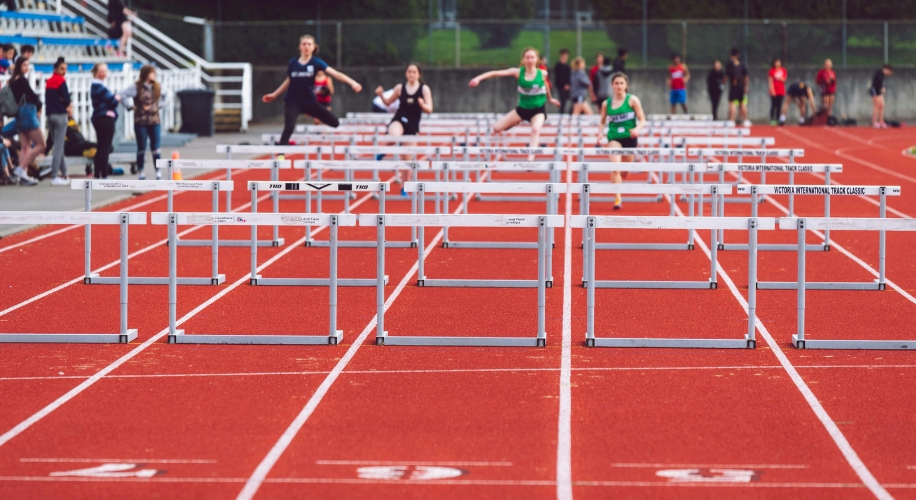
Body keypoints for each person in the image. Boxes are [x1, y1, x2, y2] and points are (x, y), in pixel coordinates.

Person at [263, 34, 363, 145]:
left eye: (309, 44)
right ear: (299, 47)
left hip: (309, 102)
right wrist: (274, 94)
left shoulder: (316, 63)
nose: (306, 47)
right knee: (289, 127)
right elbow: (289, 80)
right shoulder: (293, 63)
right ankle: (280, 156)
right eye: (304, 44)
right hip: (293, 102)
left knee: (335, 122)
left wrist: (352, 83)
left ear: (313, 47)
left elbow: (335, 74)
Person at [469, 47, 561, 158]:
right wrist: (478, 79)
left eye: (532, 57)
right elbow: (495, 73)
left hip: (538, 110)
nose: (530, 60)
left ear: (537, 60)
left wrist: (550, 99)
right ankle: (516, 121)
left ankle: (530, 161)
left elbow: (545, 86)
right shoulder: (517, 72)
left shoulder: (542, 74)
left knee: (535, 129)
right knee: (496, 128)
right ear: (523, 59)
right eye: (527, 57)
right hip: (522, 109)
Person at [375, 64, 433, 190]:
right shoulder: (400, 88)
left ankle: (404, 187)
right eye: (409, 71)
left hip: (413, 124)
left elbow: (430, 109)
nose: (411, 74)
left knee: (407, 158)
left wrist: (422, 105)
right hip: (399, 118)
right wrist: (380, 95)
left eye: (414, 72)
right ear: (406, 74)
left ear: (419, 74)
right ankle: (383, 151)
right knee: (394, 135)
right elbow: (388, 102)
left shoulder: (424, 89)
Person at [598, 72, 645, 210]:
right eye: (616, 83)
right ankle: (617, 197)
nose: (619, 86)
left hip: (630, 138)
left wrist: (637, 129)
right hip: (614, 138)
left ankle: (622, 175)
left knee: (624, 171)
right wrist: (600, 134)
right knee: (615, 166)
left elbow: (642, 120)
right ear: (612, 85)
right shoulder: (606, 103)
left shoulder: (633, 100)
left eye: (621, 83)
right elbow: (602, 122)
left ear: (626, 85)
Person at [120, 65, 164, 180]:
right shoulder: (137, 87)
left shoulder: (157, 86)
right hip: (141, 121)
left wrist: (160, 106)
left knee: (156, 147)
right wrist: (130, 106)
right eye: (152, 73)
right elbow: (122, 95)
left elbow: (167, 95)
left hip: (155, 121)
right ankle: (141, 172)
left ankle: (158, 172)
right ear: (146, 74)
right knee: (141, 147)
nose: (154, 75)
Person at [9, 57, 42, 186]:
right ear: (18, 66)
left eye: (27, 65)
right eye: (24, 65)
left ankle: (24, 177)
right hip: (28, 112)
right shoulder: (22, 80)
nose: (26, 67)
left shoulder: (12, 81)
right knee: (41, 144)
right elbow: (32, 95)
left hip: (19, 113)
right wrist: (39, 104)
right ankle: (21, 169)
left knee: (25, 146)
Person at [90, 63, 120, 179]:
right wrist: (116, 98)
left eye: (105, 71)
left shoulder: (96, 86)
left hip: (98, 117)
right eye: (102, 71)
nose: (104, 74)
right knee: (105, 147)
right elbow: (113, 102)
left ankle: (97, 173)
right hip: (105, 118)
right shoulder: (99, 87)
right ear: (96, 72)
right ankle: (104, 174)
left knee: (101, 146)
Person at [45, 57, 71, 186]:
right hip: (60, 115)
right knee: (58, 147)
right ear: (56, 69)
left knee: (57, 145)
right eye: (62, 69)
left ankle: (65, 173)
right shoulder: (61, 81)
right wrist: (62, 100)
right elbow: (67, 100)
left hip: (50, 115)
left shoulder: (49, 81)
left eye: (65, 69)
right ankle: (54, 175)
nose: (64, 71)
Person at [725, 48, 749, 125]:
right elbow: (746, 76)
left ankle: (732, 120)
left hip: (734, 85)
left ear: (731, 55)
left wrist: (723, 82)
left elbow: (726, 75)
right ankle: (746, 120)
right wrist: (745, 86)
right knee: (742, 103)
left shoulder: (730, 64)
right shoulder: (742, 64)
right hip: (741, 85)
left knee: (732, 102)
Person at [870, 64, 893, 129]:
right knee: (876, 106)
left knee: (882, 105)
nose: (889, 74)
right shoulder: (879, 73)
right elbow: (877, 82)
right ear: (888, 70)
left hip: (878, 91)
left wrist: (881, 88)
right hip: (874, 91)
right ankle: (874, 122)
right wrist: (882, 87)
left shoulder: (882, 74)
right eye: (890, 72)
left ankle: (881, 121)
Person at [768, 58, 787, 125]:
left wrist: (777, 77)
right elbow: (770, 81)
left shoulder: (783, 70)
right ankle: (772, 119)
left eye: (779, 62)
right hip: (774, 90)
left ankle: (778, 118)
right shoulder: (772, 70)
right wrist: (772, 90)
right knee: (773, 105)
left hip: (781, 91)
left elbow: (784, 79)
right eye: (776, 62)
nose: (778, 64)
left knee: (779, 106)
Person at [553, 48, 571, 114]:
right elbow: (558, 77)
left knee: (568, 100)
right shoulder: (558, 65)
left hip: (567, 86)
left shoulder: (567, 66)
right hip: (560, 86)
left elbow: (569, 76)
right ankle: (561, 113)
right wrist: (563, 85)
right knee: (562, 100)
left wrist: (568, 85)